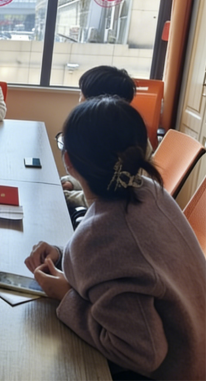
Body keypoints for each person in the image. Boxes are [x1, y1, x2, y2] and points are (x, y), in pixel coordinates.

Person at [25, 96, 206, 381]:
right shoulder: (149, 190)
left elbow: (143, 352)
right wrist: (62, 253)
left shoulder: (99, 235)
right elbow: (124, 258)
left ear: (69, 161)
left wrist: (66, 296)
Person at [61, 65, 139, 209]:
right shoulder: (121, 129)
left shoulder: (124, 143)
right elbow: (99, 175)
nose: (79, 103)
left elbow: (109, 197)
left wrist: (66, 197)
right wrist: (72, 183)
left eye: (82, 98)